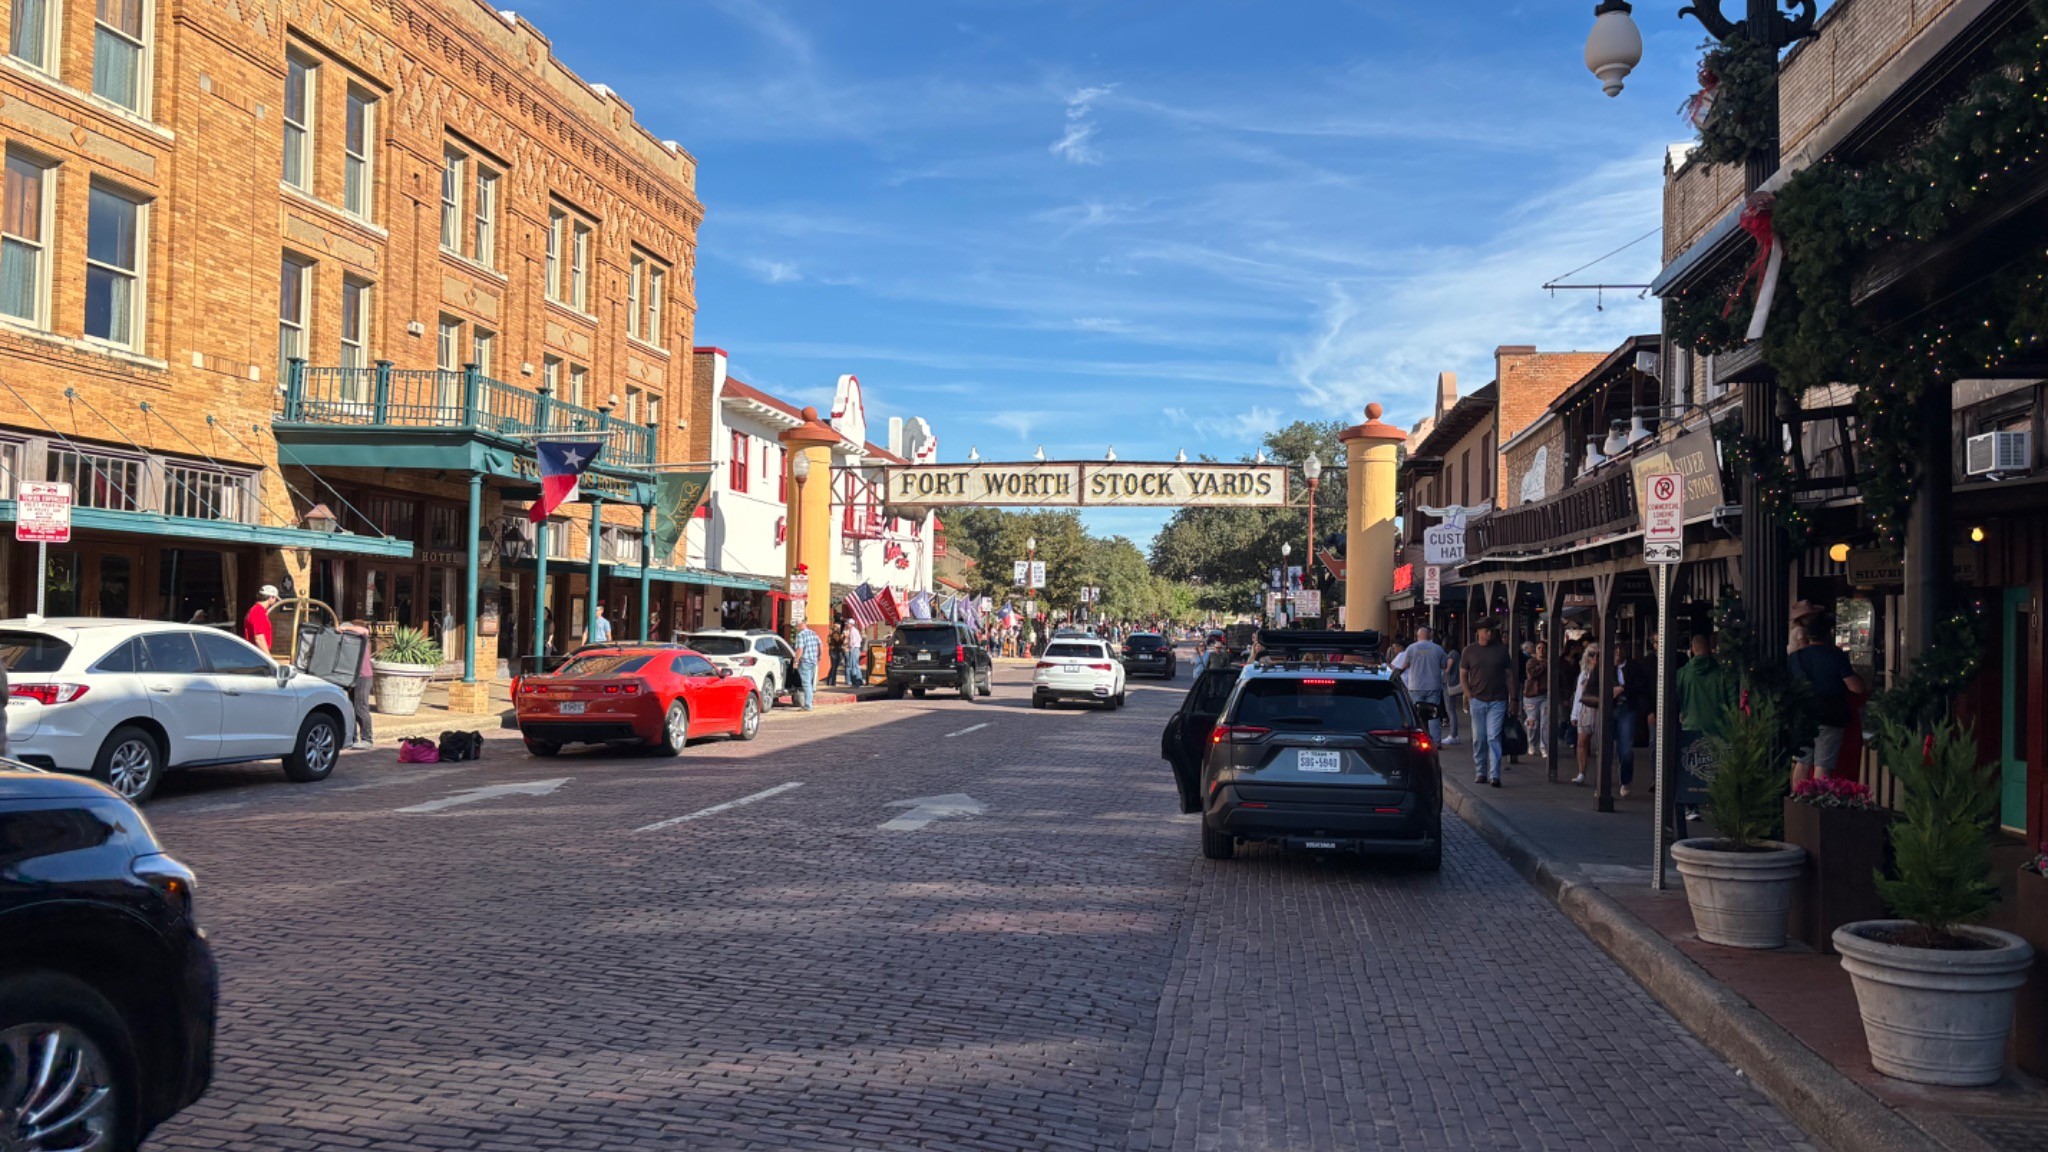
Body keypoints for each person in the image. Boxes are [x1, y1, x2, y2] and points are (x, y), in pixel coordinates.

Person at [1789, 616, 1866, 784]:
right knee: (1823, 765)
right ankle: (1817, 804)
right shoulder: (1835, 656)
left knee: (1802, 762)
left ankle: (1797, 803)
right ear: (1827, 634)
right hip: (1830, 716)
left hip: (1803, 715)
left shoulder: (1796, 657)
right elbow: (1855, 687)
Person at [1460, 621, 1512, 788]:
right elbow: (1463, 675)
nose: (1490, 634)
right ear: (1479, 632)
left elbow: (1509, 675)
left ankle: (1494, 775)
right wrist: (1468, 695)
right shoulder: (1469, 651)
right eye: (1487, 631)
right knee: (1479, 738)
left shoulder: (1502, 650)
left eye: (1492, 631)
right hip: (1477, 699)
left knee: (1493, 737)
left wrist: (1514, 698)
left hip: (1498, 700)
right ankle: (1480, 771)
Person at [1609, 639, 1654, 799]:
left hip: (1627, 708)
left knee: (1626, 748)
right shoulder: (1605, 666)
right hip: (1609, 708)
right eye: (1615, 648)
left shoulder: (1635, 667)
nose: (1618, 651)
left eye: (1621, 647)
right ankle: (1605, 779)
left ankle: (1626, 780)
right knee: (1606, 747)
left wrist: (1622, 689)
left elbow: (1642, 687)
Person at [1393, 625, 1449, 746]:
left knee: (1416, 714)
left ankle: (1418, 740)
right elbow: (1445, 664)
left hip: (1416, 686)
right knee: (1433, 714)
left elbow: (1404, 666)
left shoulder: (1411, 648)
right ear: (1429, 636)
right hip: (1433, 686)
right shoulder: (1438, 649)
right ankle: (1436, 741)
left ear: (1418, 636)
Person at [336, 620, 377, 749]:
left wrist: (346, 628)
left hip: (364, 677)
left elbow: (365, 631)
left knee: (361, 708)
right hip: (352, 678)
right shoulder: (348, 643)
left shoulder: (361, 637)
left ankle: (367, 739)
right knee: (351, 708)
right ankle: (353, 738)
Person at [1573, 646, 1601, 785]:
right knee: (1581, 742)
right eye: (1592, 654)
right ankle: (1581, 772)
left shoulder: (1605, 672)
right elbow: (1579, 694)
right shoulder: (1584, 673)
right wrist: (1575, 714)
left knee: (1599, 745)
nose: (1595, 658)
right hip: (1585, 708)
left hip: (1600, 709)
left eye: (1598, 655)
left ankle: (1600, 774)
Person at [1522, 640, 1551, 762]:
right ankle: (1531, 743)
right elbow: (1532, 674)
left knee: (1545, 722)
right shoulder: (1531, 662)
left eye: (1543, 648)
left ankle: (1544, 746)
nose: (1541, 650)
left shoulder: (1551, 662)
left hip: (1545, 695)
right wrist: (1545, 665)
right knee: (1532, 722)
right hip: (1532, 695)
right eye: (1539, 648)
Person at [792, 624, 823, 711]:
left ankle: (808, 705)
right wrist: (820, 655)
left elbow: (800, 649)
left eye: (797, 626)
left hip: (805, 661)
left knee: (806, 684)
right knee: (810, 683)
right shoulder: (813, 633)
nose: (796, 628)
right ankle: (809, 702)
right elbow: (821, 644)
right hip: (813, 661)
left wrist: (796, 661)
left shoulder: (800, 635)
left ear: (801, 626)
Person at [244, 584, 281, 651]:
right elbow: (259, 638)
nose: (275, 601)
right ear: (271, 598)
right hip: (256, 655)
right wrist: (268, 658)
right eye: (275, 598)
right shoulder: (258, 612)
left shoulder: (255, 610)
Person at [843, 617, 865, 688]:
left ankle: (856, 682)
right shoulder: (854, 630)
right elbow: (860, 639)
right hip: (856, 648)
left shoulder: (853, 631)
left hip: (854, 649)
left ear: (851, 624)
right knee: (855, 665)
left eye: (848, 624)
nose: (847, 625)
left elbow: (854, 641)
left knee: (853, 665)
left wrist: (851, 646)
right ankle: (859, 680)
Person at [824, 619, 844, 687]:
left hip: (834, 651)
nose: (839, 628)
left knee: (833, 667)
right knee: (834, 667)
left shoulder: (832, 634)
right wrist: (843, 638)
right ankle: (832, 682)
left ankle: (829, 681)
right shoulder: (835, 633)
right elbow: (839, 641)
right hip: (834, 652)